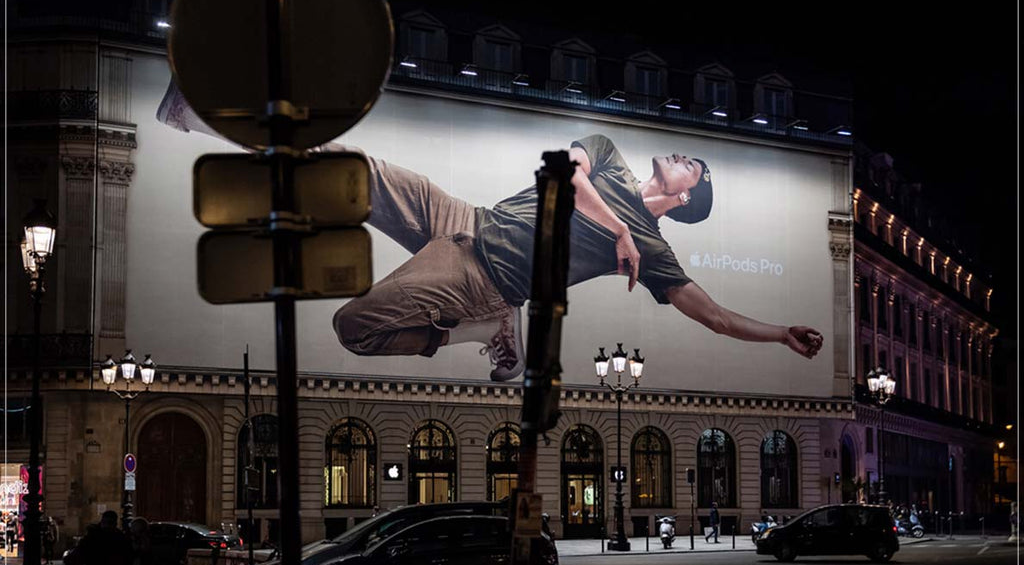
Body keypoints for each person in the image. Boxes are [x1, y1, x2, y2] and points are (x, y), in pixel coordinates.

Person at [157, 84, 824, 381]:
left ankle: (480, 329)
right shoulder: (610, 154)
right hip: (467, 218)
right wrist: (618, 226)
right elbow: (565, 174)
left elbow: (715, 317)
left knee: (352, 327)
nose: (684, 157)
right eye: (690, 157)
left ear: (684, 199)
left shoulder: (655, 252)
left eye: (693, 167)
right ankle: (210, 116)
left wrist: (779, 333)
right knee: (355, 171)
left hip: (483, 279)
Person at [69, 510, 133, 565]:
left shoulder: (119, 538)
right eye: (105, 522)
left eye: (110, 523)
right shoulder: (92, 536)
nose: (107, 525)